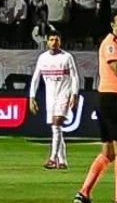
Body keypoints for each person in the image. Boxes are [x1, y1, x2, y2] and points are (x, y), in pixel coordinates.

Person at [75, 10, 117, 203]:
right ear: (112, 25)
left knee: (108, 152)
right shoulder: (111, 43)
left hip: (106, 97)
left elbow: (114, 77)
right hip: (112, 99)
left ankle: (84, 192)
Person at [29, 33, 79, 170]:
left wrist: (74, 94)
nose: (54, 42)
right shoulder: (42, 58)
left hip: (64, 93)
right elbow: (35, 78)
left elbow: (75, 77)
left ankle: (52, 158)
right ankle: (63, 161)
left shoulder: (67, 57)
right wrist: (32, 97)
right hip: (50, 96)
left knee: (57, 124)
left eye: (56, 39)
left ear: (60, 42)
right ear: (47, 42)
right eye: (51, 39)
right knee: (56, 128)